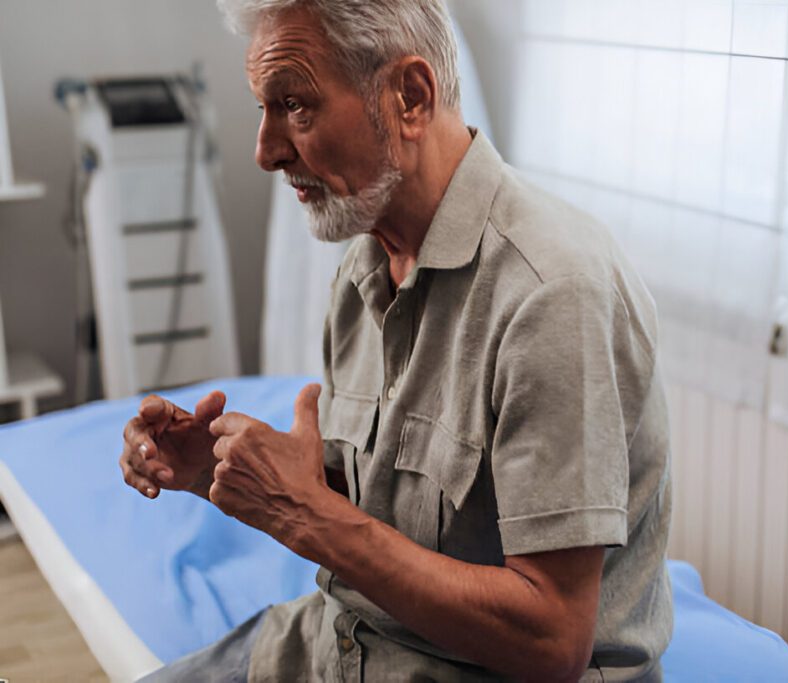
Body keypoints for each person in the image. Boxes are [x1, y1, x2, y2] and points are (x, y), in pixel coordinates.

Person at [119, 1, 672, 680]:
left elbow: (552, 640)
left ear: (409, 97)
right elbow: (387, 511)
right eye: (265, 108)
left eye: (295, 106)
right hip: (337, 643)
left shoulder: (552, 292)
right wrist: (220, 472)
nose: (265, 151)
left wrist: (308, 516)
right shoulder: (364, 267)